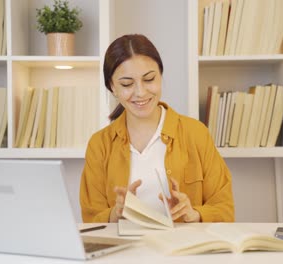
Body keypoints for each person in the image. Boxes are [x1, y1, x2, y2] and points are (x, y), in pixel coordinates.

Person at [80, 34, 234, 223]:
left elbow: (224, 209)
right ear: (113, 87)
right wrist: (116, 213)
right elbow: (91, 218)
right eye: (127, 84)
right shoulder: (99, 145)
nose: (141, 92)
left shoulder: (196, 133)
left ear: (160, 76)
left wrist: (194, 214)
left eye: (149, 79)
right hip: (125, 252)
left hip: (183, 250)